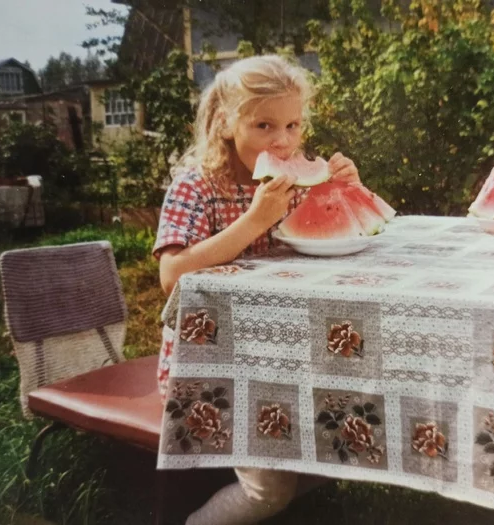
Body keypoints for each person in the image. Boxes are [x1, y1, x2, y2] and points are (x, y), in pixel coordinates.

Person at [152, 54, 361, 525]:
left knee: (343, 444)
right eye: (265, 126)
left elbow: (333, 238)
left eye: (292, 125)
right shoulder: (195, 187)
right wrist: (255, 221)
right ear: (227, 123)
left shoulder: (293, 184)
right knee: (268, 493)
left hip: (286, 354)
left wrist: (344, 191)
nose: (283, 141)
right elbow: (172, 275)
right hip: (214, 366)